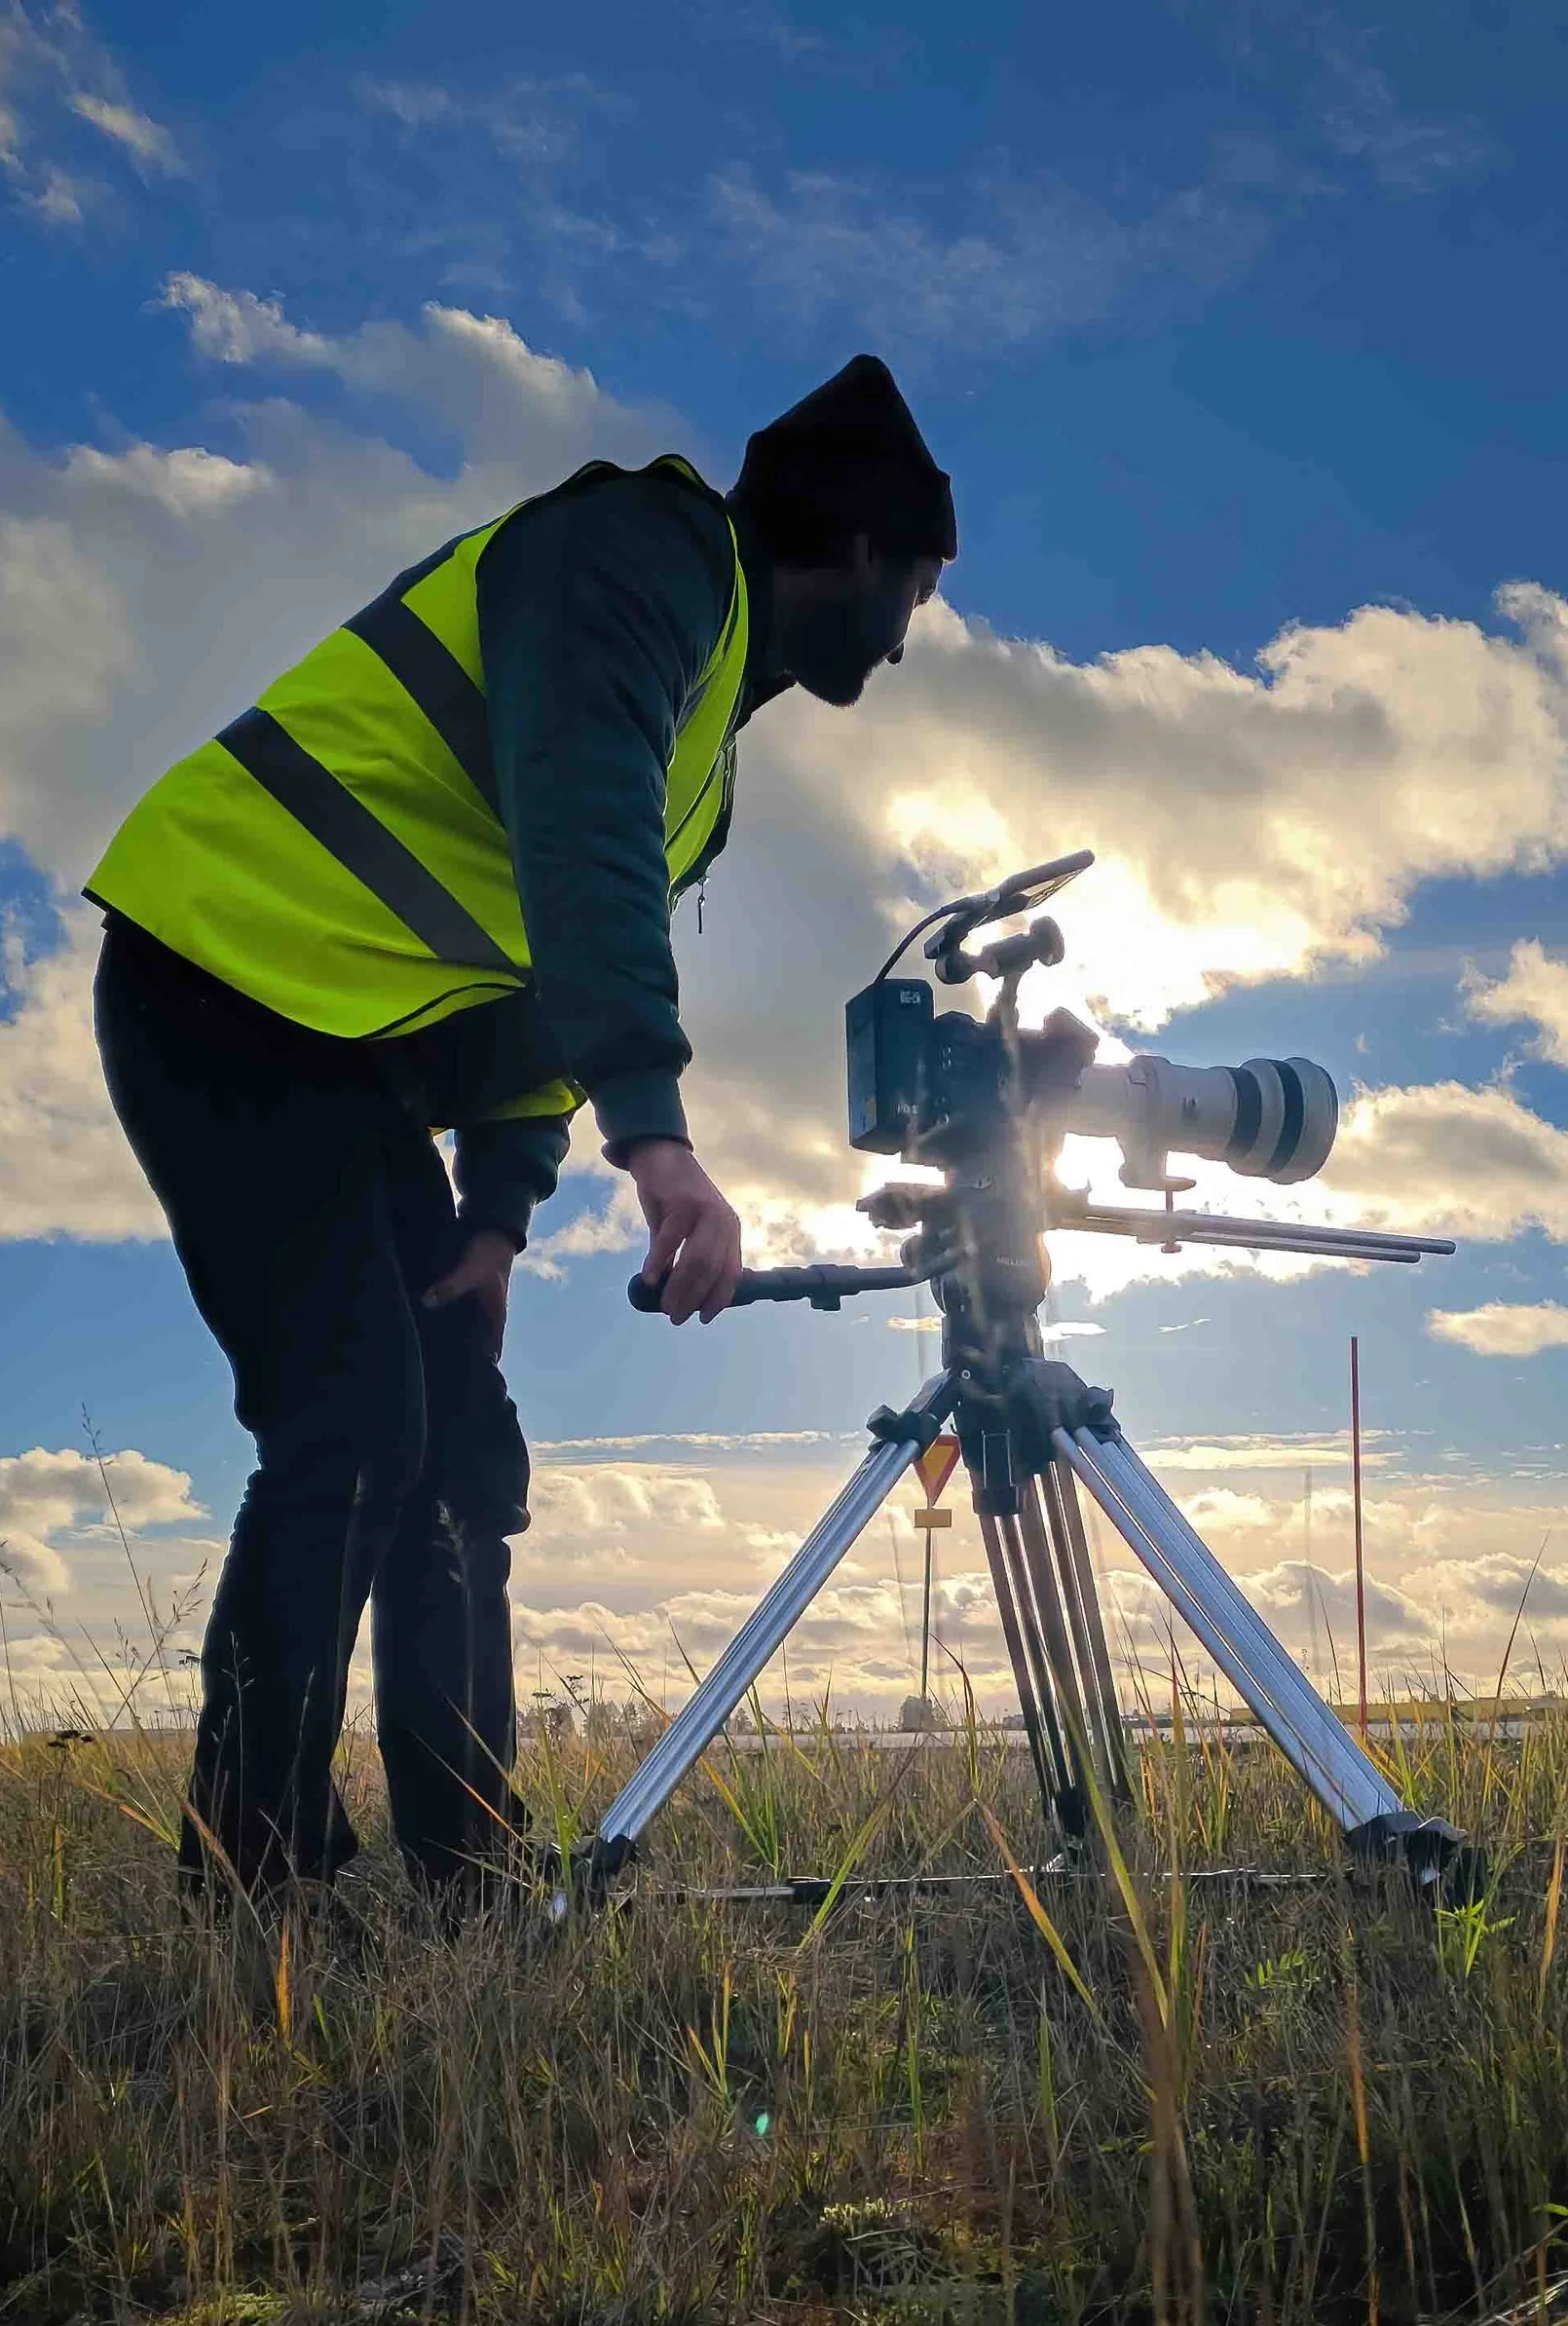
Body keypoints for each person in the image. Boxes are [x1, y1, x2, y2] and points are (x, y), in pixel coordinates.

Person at [86, 355, 954, 1906]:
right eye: (920, 593)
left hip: (344, 1051)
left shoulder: (716, 737)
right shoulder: (641, 554)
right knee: (349, 1427)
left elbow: (521, 989)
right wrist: (657, 1136)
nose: (909, 642)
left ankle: (469, 1865)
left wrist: (493, 1224)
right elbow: (575, 829)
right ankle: (254, 1880)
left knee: (460, 1451)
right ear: (871, 551)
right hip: (218, 974)